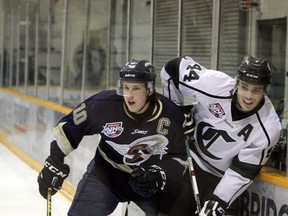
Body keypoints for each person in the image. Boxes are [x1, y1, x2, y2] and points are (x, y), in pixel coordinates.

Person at [37, 59, 192, 216]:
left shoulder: (171, 115)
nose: (129, 95)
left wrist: (160, 174)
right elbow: (68, 128)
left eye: (136, 88)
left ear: (150, 89)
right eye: (126, 87)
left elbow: (183, 156)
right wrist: (55, 160)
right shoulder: (104, 105)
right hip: (106, 175)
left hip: (148, 181)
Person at [160, 55, 282, 215]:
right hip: (190, 163)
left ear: (265, 91)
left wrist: (218, 201)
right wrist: (177, 113)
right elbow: (172, 69)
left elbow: (243, 171)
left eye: (256, 90)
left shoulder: (268, 127)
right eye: (245, 87)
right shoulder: (213, 84)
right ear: (237, 82)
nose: (249, 96)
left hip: (221, 178)